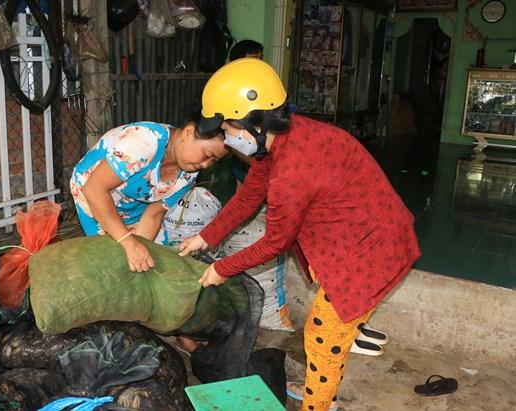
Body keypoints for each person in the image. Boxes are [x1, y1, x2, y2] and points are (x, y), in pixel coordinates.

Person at [179, 59, 421, 411]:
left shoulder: (292, 171)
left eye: (228, 129)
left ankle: (319, 404)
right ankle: (322, 386)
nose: (227, 139)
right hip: (357, 237)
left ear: (251, 124)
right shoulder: (282, 138)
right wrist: (206, 236)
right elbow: (249, 195)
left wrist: (222, 268)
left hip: (370, 252)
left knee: (323, 339)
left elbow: (276, 241)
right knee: (330, 335)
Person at [70, 111, 227, 273]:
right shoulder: (144, 141)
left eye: (213, 161)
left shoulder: (188, 176)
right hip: (93, 190)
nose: (206, 165)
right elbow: (94, 189)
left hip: (135, 200)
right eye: (207, 155)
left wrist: (138, 249)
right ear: (188, 133)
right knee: (110, 258)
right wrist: (127, 242)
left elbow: (153, 215)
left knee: (149, 260)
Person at [228, 39, 264, 185]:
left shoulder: (262, 83)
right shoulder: (229, 87)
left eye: (261, 58)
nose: (259, 63)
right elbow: (229, 133)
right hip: (240, 147)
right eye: (254, 59)